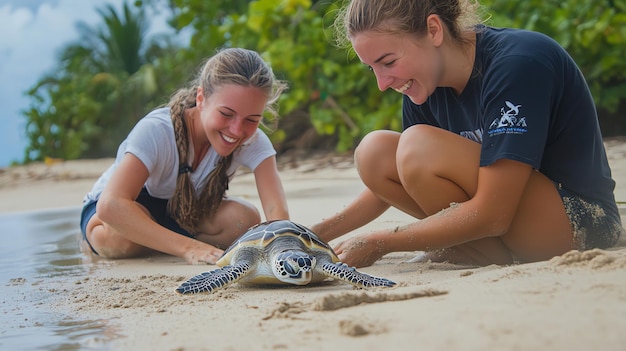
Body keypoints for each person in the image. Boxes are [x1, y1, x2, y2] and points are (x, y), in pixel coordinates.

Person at [310, 0, 624, 268]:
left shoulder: (517, 63)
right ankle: (473, 250)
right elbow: (394, 180)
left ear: (434, 30)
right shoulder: (423, 86)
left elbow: (495, 213)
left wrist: (383, 242)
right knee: (374, 152)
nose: (382, 82)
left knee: (416, 147)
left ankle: (472, 251)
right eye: (372, 68)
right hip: (507, 221)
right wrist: (314, 233)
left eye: (388, 62)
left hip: (579, 222)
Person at [80, 48, 290, 264]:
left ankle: (162, 242)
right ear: (201, 99)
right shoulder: (157, 130)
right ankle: (166, 242)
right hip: (120, 208)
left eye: (251, 119)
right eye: (226, 114)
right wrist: (189, 248)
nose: (237, 130)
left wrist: (285, 249)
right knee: (120, 240)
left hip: (185, 212)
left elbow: (277, 213)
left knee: (244, 220)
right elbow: (110, 205)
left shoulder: (252, 140)